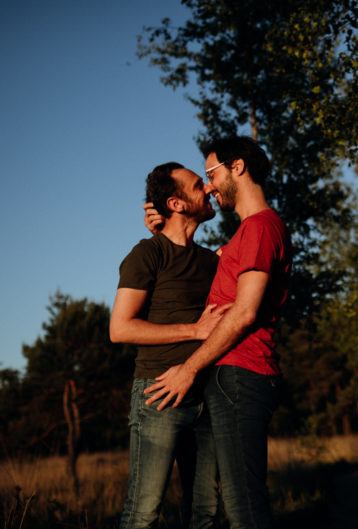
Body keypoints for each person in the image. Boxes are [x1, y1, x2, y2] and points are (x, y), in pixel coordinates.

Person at [144, 136, 292, 529]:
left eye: (211, 173)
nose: (209, 185)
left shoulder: (260, 228)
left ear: (237, 168)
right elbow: (195, 262)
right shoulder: (246, 235)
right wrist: (163, 230)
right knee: (237, 500)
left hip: (242, 374)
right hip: (234, 377)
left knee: (244, 505)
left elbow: (244, 313)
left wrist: (188, 369)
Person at [110, 162, 227, 529]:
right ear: (176, 204)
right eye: (197, 185)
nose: (207, 189)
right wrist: (195, 331)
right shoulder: (147, 253)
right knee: (143, 513)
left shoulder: (212, 260)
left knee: (205, 514)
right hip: (158, 394)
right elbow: (121, 329)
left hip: (207, 395)